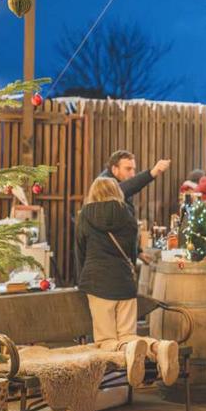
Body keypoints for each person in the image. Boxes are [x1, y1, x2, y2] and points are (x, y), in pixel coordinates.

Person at [75, 177, 179, 388]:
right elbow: (131, 254)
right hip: (124, 283)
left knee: (105, 340)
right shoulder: (128, 216)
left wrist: (81, 279)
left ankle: (134, 355)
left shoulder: (86, 214)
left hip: (97, 282)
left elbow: (80, 250)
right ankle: (158, 347)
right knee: (128, 336)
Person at [99, 150, 170, 219]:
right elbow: (119, 190)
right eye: (128, 169)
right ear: (114, 169)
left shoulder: (121, 181)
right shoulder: (103, 183)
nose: (133, 174)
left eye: (133, 169)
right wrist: (152, 173)